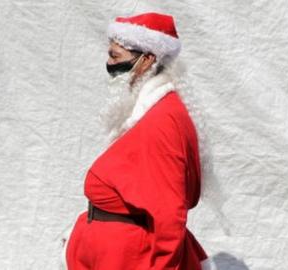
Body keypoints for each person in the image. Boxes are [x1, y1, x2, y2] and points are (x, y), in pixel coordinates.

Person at [63, 12, 210, 270]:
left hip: (129, 258)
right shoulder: (152, 111)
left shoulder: (162, 120)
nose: (109, 65)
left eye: (115, 56)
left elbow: (169, 213)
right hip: (115, 254)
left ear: (146, 60)